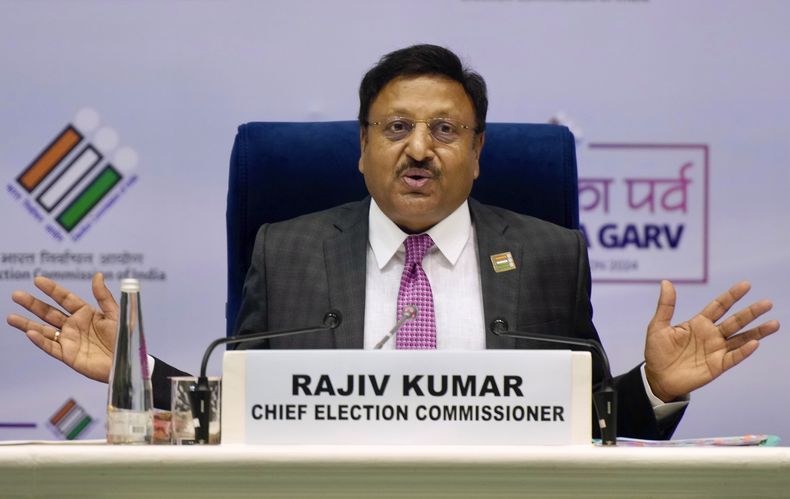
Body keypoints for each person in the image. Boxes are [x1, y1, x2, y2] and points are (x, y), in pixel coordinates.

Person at [7, 45, 780, 439]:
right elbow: (233, 414)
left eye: (445, 130)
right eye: (397, 128)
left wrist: (657, 384)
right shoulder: (286, 248)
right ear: (362, 148)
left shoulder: (549, 253)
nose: (419, 149)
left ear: (478, 152)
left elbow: (591, 424)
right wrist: (132, 368)